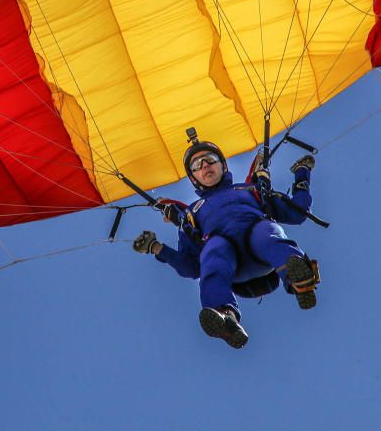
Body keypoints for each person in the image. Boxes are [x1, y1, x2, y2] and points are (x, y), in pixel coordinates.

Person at [132, 131, 320, 349]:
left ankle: (299, 279)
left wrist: (302, 173)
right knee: (212, 249)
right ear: (194, 178)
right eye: (197, 166)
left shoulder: (252, 189)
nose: (204, 166)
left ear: (223, 166)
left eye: (209, 160)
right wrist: (157, 248)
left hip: (261, 249)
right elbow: (192, 267)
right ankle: (225, 317)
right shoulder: (191, 213)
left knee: (265, 231)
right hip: (228, 262)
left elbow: (298, 212)